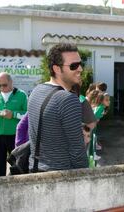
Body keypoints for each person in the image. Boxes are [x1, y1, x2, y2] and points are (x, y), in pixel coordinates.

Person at [28, 43, 88, 172]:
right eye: (74, 66)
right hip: (61, 178)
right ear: (56, 69)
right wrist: (85, 176)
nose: (80, 69)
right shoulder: (67, 99)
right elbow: (77, 150)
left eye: (80, 64)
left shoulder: (36, 91)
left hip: (35, 169)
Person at [0, 72, 28, 176]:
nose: (2, 88)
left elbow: (28, 114)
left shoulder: (21, 95)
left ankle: (18, 183)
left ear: (11, 82)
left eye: (4, 85)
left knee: (17, 162)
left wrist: (14, 114)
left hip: (15, 135)